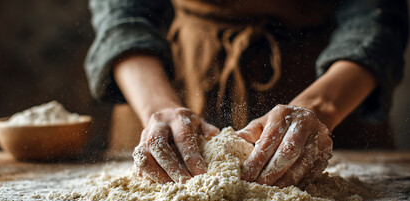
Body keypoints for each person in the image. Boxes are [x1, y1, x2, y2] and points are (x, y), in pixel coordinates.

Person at [85, 0, 408, 186]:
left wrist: (320, 108)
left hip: (331, 79)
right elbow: (123, 17)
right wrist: (159, 106)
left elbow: (377, 17)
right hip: (172, 76)